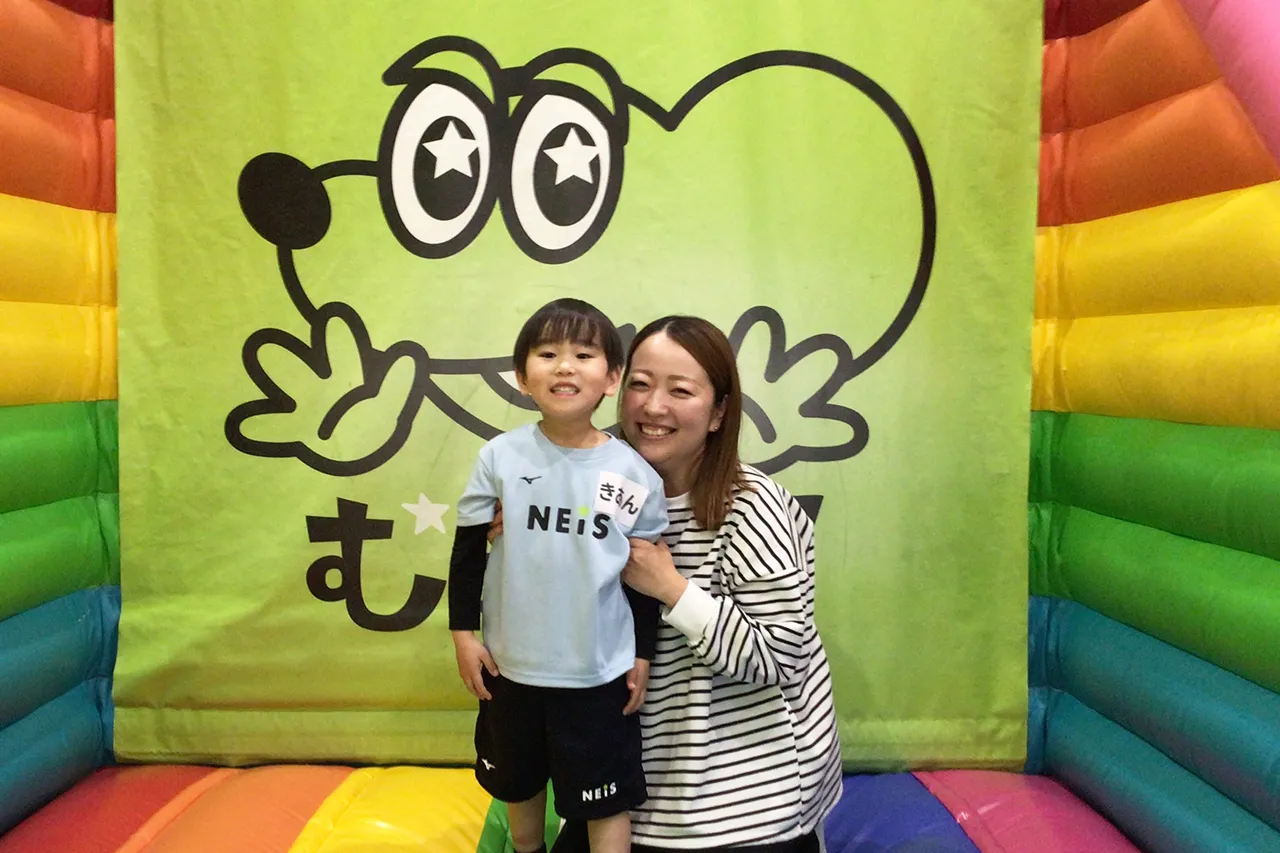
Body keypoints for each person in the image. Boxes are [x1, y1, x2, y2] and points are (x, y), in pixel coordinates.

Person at [498, 315, 844, 852]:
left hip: (746, 808)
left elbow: (779, 658)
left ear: (718, 412)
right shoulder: (586, 481)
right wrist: (520, 534)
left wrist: (671, 588)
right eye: (640, 384)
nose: (653, 407)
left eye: (680, 391)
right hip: (617, 788)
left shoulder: (752, 505)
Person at [449, 298, 669, 853]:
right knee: (518, 786)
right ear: (522, 377)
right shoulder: (500, 457)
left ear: (612, 378)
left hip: (598, 675)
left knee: (606, 802)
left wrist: (642, 654)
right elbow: (468, 549)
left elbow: (642, 577)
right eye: (547, 354)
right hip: (510, 667)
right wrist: (463, 635)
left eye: (583, 355)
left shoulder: (634, 474)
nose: (565, 366)